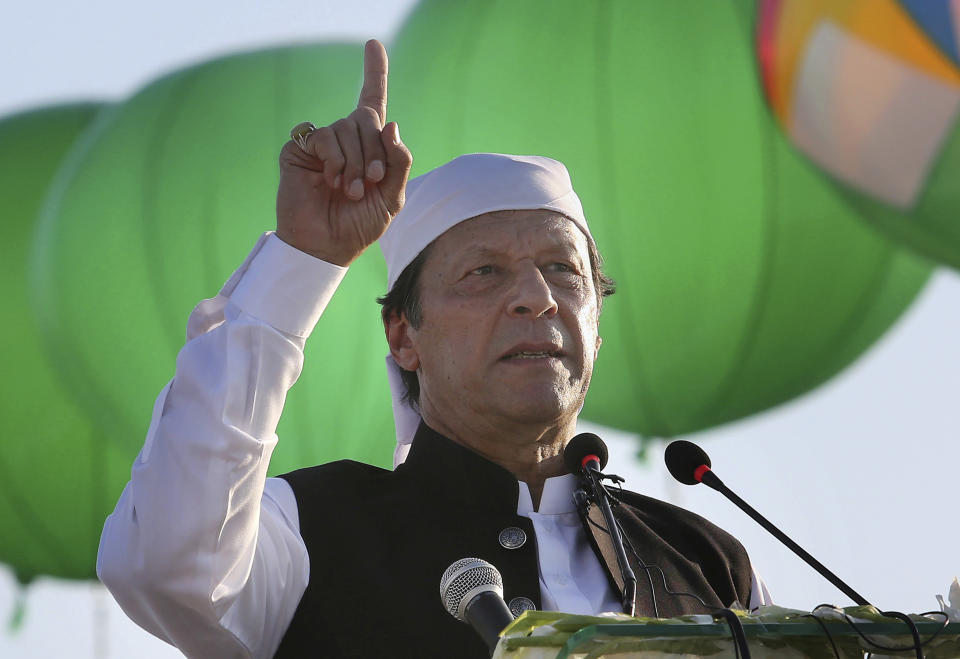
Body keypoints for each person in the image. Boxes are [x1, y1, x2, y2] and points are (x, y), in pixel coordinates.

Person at [97, 39, 769, 658]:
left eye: (564, 271)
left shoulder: (707, 561)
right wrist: (302, 260)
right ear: (404, 335)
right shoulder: (315, 530)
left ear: (597, 324)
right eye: (484, 273)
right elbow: (166, 566)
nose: (536, 297)